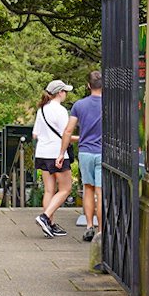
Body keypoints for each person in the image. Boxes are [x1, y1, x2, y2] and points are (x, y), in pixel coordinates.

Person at [59, 71, 104, 241]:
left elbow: (68, 130)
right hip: (102, 152)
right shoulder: (109, 105)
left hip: (85, 152)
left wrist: (62, 153)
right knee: (100, 192)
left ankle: (89, 226)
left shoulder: (79, 105)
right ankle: (101, 230)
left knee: (88, 189)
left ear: (88, 86)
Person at [32, 79, 73, 238]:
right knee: (65, 189)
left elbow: (35, 133)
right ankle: (45, 217)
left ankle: (49, 224)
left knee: (49, 190)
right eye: (65, 91)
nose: (66, 94)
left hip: (42, 152)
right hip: (57, 153)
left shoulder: (41, 110)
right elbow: (66, 133)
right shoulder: (61, 110)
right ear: (60, 93)